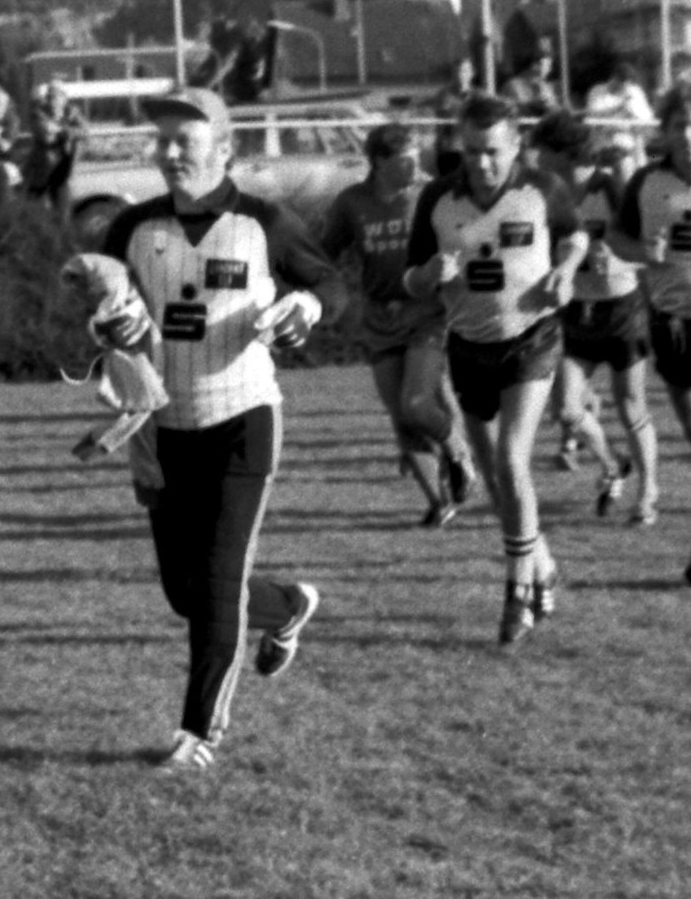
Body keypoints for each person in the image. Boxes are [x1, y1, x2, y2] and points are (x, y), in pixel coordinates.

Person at [95, 87, 339, 773]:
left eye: (186, 141)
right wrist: (110, 326)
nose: (169, 152)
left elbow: (331, 284)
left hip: (244, 419)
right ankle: (287, 605)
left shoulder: (264, 222)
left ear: (225, 149)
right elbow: (105, 313)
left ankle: (199, 732)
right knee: (186, 592)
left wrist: (306, 306)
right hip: (162, 427)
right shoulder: (132, 226)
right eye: (163, 140)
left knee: (218, 581)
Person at [405, 92, 586, 645]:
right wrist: (431, 273)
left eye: (493, 152)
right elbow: (410, 278)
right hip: (468, 345)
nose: (482, 164)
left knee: (512, 459)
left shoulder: (541, 189)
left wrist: (567, 270)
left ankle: (517, 593)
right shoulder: (438, 197)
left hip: (531, 339)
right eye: (472, 151)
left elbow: (575, 234)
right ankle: (543, 566)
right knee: (496, 478)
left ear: (515, 146)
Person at [320, 123, 475, 529]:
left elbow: (465, 238)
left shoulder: (429, 195)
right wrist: (323, 291)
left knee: (416, 403)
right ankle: (439, 502)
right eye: (405, 160)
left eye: (417, 157)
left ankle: (458, 453)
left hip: (427, 312)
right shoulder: (352, 203)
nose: (415, 167)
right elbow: (324, 254)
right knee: (402, 419)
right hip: (379, 317)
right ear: (378, 162)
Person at [610, 82, 691, 585]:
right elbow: (616, 237)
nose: (690, 135)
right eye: (680, 125)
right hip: (667, 323)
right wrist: (642, 252)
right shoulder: (646, 182)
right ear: (666, 131)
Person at [537, 112, 659, 528]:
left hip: (621, 308)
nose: (536, 158)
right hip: (575, 312)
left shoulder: (607, 187)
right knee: (566, 410)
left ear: (562, 153)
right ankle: (612, 463)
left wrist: (620, 256)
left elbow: (640, 243)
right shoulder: (548, 192)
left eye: (542, 150)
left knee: (631, 406)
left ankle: (648, 493)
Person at [25, 80, 88, 230]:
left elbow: (85, 131)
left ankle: (63, 240)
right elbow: (45, 136)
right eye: (50, 96)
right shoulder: (37, 113)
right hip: (41, 172)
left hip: (63, 172)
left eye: (56, 96)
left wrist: (60, 130)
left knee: (64, 217)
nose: (52, 100)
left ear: (64, 99)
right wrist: (68, 132)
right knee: (36, 218)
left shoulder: (73, 112)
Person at [584, 62, 656, 158]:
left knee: (638, 150)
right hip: (605, 142)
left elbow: (647, 117)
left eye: (627, 84)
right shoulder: (597, 91)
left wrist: (632, 113)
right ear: (614, 78)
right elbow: (593, 116)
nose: (624, 87)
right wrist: (619, 108)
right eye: (622, 83)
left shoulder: (635, 91)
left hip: (630, 141)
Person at [429, 56, 480, 178]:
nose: (461, 75)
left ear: (472, 73)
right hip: (450, 150)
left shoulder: (479, 96)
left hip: (471, 148)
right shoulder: (444, 96)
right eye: (457, 71)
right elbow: (441, 125)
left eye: (465, 71)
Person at [502, 50, 561, 120]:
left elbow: (555, 109)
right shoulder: (514, 85)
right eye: (547, 66)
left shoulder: (545, 86)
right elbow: (511, 109)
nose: (549, 70)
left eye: (550, 66)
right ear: (534, 66)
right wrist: (533, 105)